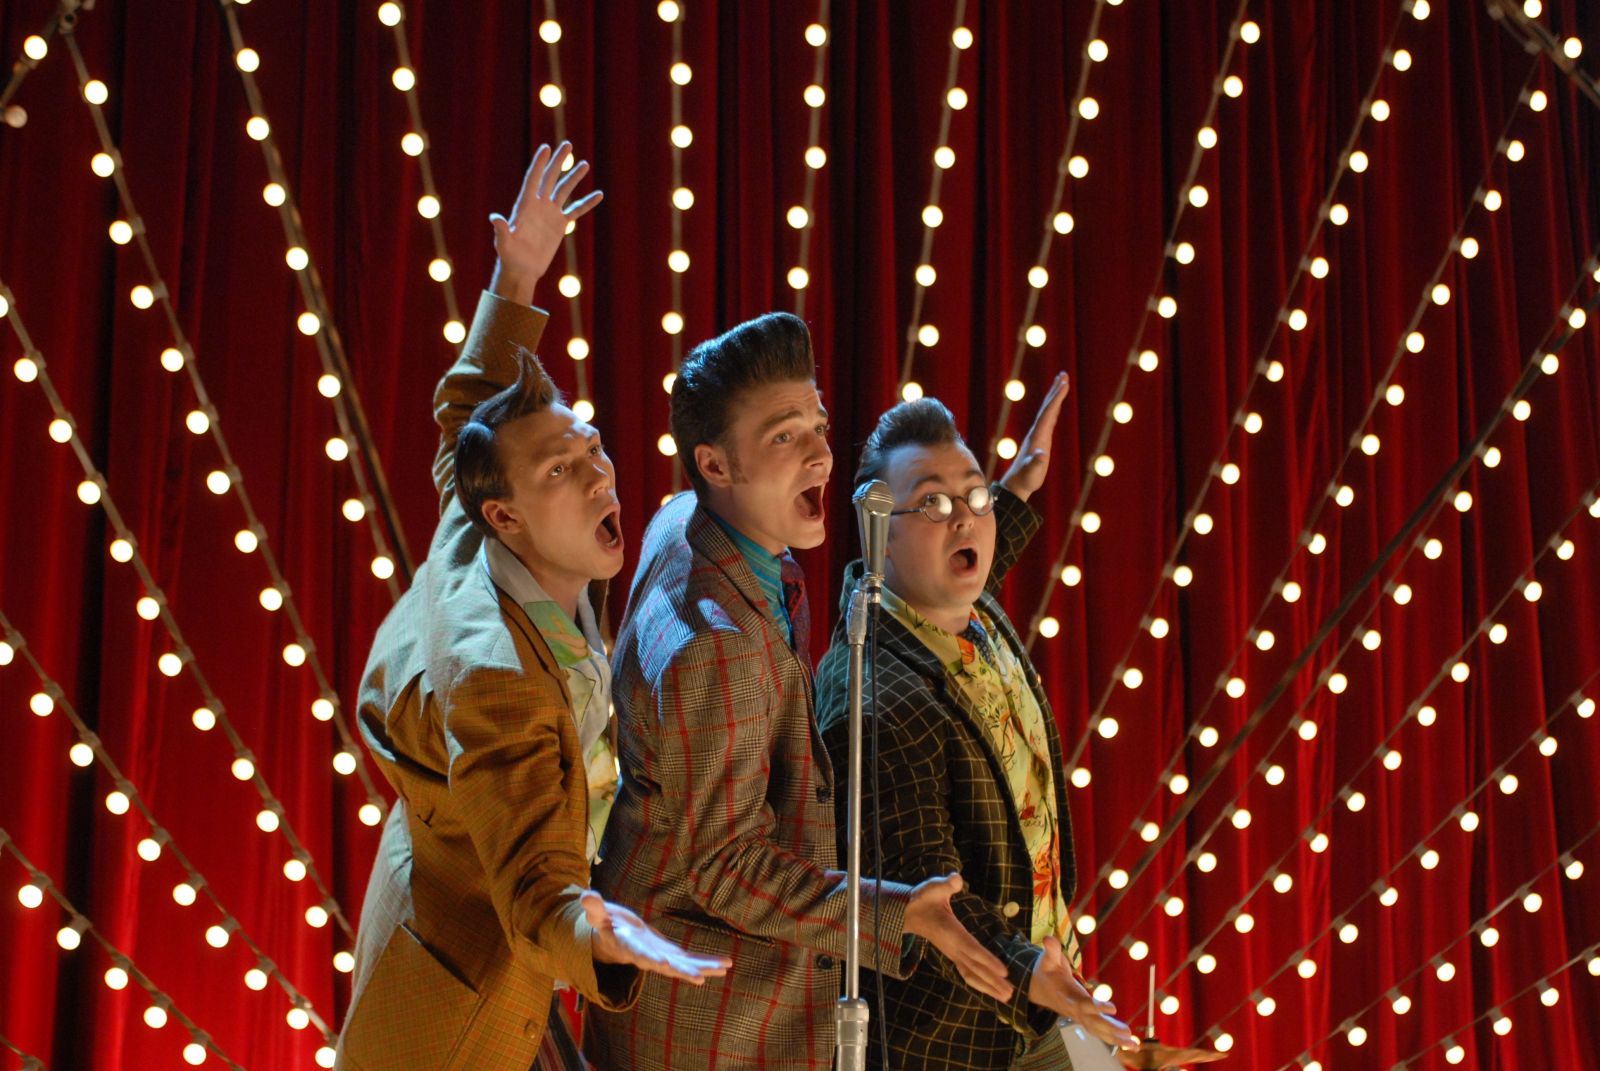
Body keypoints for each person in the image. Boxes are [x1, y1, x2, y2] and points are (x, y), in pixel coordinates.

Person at [336, 144, 727, 1071]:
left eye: (592, 449)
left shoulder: (475, 524)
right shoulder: (496, 678)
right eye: (563, 470)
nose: (599, 475)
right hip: (465, 1004)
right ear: (507, 515)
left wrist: (518, 273)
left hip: (451, 922)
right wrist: (602, 932)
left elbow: (470, 413)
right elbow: (534, 886)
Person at [587, 315, 1014, 1070]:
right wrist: (898, 912)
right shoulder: (716, 643)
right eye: (784, 436)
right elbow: (724, 865)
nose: (820, 453)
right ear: (715, 463)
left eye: (817, 424)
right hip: (713, 1026)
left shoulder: (690, 518)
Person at [815, 379, 1137, 1069]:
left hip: (1040, 994)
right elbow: (923, 891)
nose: (965, 518)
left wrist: (1014, 489)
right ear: (878, 531)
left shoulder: (963, 609)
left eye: (975, 496)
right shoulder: (876, 698)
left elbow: (974, 548)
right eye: (933, 502)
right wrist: (1029, 970)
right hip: (961, 1033)